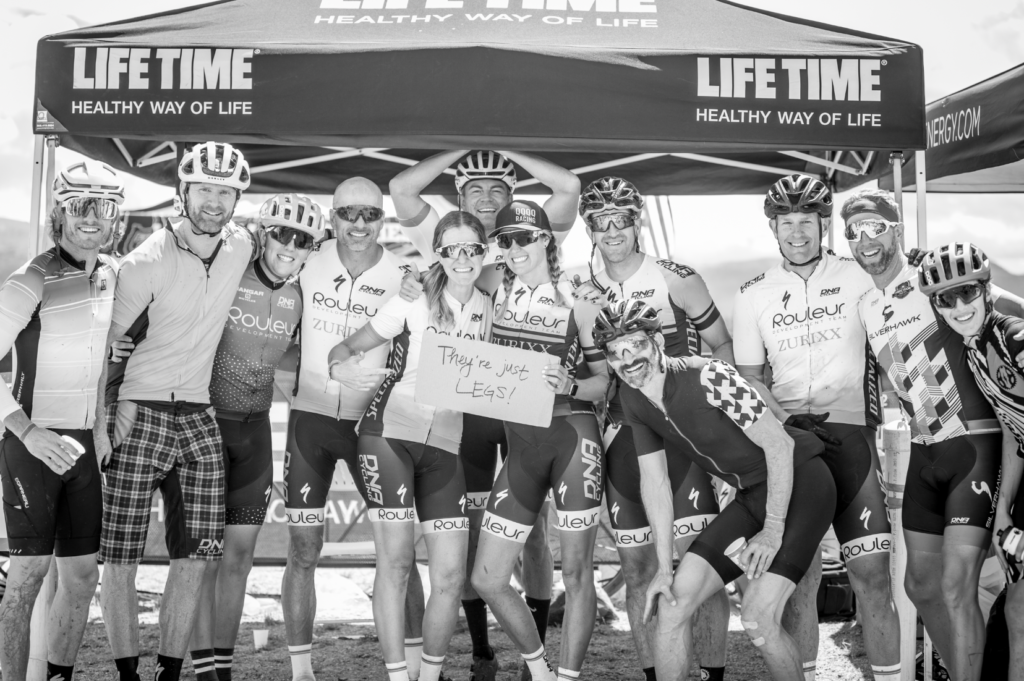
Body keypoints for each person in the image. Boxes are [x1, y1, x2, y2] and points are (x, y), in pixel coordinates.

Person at [391, 151, 580, 680]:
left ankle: (533, 643)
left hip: (521, 404)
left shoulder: (527, 235)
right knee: (473, 528)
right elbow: (403, 189)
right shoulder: (456, 233)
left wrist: (509, 149)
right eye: (476, 189)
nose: (489, 199)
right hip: (470, 401)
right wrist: (457, 148)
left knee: (536, 531)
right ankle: (481, 650)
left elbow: (567, 185)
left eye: (499, 189)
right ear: (459, 195)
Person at [593, 298, 836, 681]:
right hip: (749, 495)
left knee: (757, 616)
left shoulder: (710, 375)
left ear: (657, 340)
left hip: (802, 482)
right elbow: (655, 484)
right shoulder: (632, 396)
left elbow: (780, 446)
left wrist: (773, 529)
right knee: (672, 607)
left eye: (636, 344)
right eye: (615, 353)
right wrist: (662, 568)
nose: (628, 360)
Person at [94, 142, 258, 681]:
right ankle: (126, 674)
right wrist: (104, 422)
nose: (214, 201)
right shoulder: (145, 263)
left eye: (225, 192)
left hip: (199, 416)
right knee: (120, 560)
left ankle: (168, 671)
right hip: (138, 414)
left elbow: (290, 257)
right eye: (205, 190)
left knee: (196, 557)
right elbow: (103, 352)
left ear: (238, 199)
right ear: (182, 192)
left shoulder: (241, 246)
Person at [846, 190, 1024, 681]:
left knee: (955, 586)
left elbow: (998, 303)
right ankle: (971, 668)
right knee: (921, 586)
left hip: (975, 443)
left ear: (896, 229)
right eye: (856, 232)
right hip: (924, 452)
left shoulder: (930, 274)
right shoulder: (864, 302)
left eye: (876, 227)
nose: (867, 240)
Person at [732, 174, 901, 681]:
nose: (798, 232)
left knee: (871, 575)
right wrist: (785, 424)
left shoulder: (858, 275)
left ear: (825, 224)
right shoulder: (754, 293)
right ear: (773, 228)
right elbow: (749, 378)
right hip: (792, 444)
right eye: (787, 223)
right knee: (799, 577)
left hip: (852, 438)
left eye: (807, 221)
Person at [570, 176, 731, 681]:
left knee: (699, 571)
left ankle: (711, 673)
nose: (612, 229)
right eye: (601, 221)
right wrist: (561, 386)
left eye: (621, 219)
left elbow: (723, 349)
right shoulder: (584, 297)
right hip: (624, 439)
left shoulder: (676, 278)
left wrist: (714, 418)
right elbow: (600, 382)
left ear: (636, 221)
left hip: (684, 437)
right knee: (639, 569)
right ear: (590, 228)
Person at [328, 211, 493, 681]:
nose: (462, 258)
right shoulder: (413, 297)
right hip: (389, 436)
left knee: (448, 577)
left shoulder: (488, 306)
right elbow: (343, 349)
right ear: (437, 252)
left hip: (446, 446)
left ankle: (432, 673)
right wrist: (340, 368)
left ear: (484, 253)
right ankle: (399, 676)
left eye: (472, 249)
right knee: (397, 563)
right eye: (451, 249)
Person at [282, 177, 426, 681]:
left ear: (383, 219)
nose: (358, 224)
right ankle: (302, 672)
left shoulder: (405, 275)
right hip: (311, 419)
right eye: (348, 214)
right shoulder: (305, 260)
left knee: (398, 554)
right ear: (332, 216)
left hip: (374, 426)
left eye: (369, 214)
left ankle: (411, 666)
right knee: (303, 549)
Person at [186, 194, 324, 681]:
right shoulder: (229, 269)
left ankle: (222, 667)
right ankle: (203, 669)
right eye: (282, 233)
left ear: (312, 249)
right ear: (263, 233)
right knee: (204, 556)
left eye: (302, 239)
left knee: (239, 556)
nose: (290, 245)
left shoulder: (304, 292)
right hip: (206, 425)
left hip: (256, 430)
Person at [469, 201, 608, 681]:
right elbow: (441, 278)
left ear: (547, 240)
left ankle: (566, 678)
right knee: (486, 577)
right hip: (521, 443)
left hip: (572, 435)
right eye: (504, 240)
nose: (514, 248)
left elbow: (604, 383)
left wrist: (569, 384)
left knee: (576, 571)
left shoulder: (579, 297)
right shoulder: (490, 284)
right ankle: (540, 669)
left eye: (525, 238)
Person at [0, 161, 123, 681]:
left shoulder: (112, 273)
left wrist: (98, 428)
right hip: (31, 441)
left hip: (82, 447)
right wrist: (27, 430)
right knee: (27, 577)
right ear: (59, 212)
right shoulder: (32, 278)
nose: (92, 218)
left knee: (80, 579)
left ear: (118, 217)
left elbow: (98, 358)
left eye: (104, 207)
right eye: (79, 206)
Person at [915, 242, 1024, 681]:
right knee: (1017, 609)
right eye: (944, 298)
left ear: (985, 290)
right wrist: (1003, 513)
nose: (958, 305)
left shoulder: (1012, 337)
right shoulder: (976, 348)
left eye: (967, 292)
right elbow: (1014, 433)